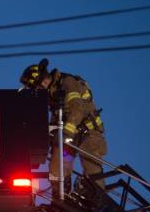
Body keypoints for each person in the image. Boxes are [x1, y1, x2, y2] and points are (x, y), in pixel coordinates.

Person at [20, 58, 107, 199]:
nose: (39, 90)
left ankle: (96, 198)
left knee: (93, 171)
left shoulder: (67, 83)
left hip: (89, 134)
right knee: (57, 166)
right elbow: (56, 121)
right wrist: (45, 143)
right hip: (70, 137)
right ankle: (61, 199)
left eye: (38, 86)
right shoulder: (53, 94)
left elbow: (77, 108)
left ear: (44, 79)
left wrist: (66, 131)